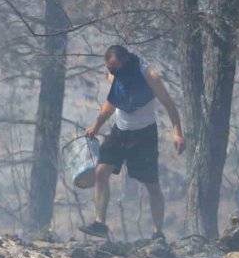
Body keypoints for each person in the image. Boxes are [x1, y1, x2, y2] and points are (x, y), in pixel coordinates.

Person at [79, 45, 184, 241]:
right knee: (101, 171)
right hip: (120, 131)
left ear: (126, 61)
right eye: (110, 69)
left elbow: (168, 104)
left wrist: (178, 133)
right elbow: (112, 102)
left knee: (152, 184)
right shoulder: (115, 76)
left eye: (116, 68)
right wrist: (96, 125)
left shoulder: (149, 76)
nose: (113, 72)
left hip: (144, 135)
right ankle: (100, 222)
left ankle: (157, 232)